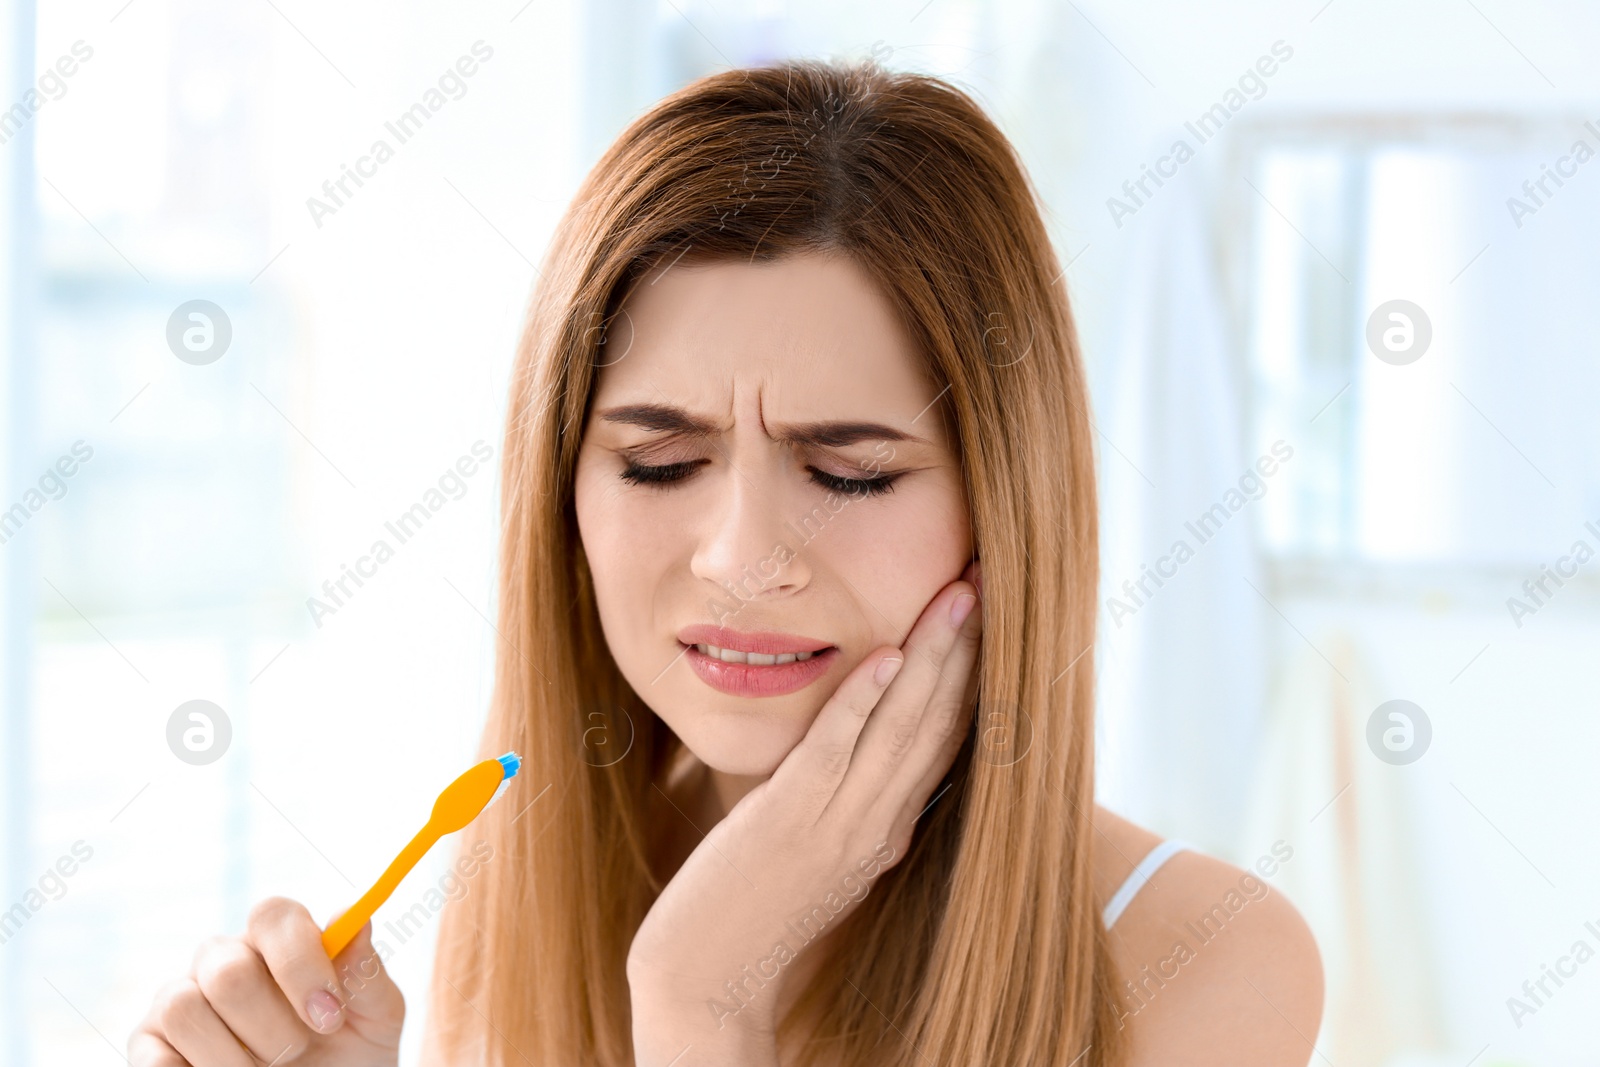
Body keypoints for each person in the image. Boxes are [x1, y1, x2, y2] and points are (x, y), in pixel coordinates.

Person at [128, 59, 1322, 1067]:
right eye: (657, 463)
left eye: (848, 473)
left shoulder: (1201, 956)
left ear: (1002, 510)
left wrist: (702, 1001)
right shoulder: (531, 878)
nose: (745, 559)